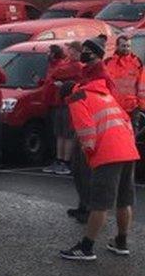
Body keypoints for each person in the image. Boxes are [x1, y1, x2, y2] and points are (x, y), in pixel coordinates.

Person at [60, 41, 140, 261]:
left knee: (100, 203)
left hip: (109, 153)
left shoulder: (77, 98)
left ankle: (86, 247)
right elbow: (124, 119)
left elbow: (86, 132)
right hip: (128, 149)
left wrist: (90, 154)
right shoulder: (103, 93)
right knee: (124, 200)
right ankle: (121, 242)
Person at [70, 37, 118, 224]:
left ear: (94, 54)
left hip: (93, 128)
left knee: (86, 170)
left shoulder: (101, 75)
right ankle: (83, 204)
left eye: (85, 51)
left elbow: (104, 100)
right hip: (82, 124)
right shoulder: (88, 71)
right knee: (78, 169)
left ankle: (89, 208)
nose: (82, 54)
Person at [41, 41, 83, 176]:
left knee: (67, 134)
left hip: (69, 104)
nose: (68, 51)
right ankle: (59, 160)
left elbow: (57, 72)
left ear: (76, 51)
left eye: (70, 48)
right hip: (60, 103)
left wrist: (61, 82)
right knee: (60, 133)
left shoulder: (76, 65)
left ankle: (66, 161)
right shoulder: (68, 63)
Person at [103, 35, 145, 129]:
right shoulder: (108, 63)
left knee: (133, 132)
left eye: (128, 46)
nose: (126, 48)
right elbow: (104, 83)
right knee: (117, 132)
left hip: (132, 106)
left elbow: (141, 85)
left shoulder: (137, 62)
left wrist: (141, 104)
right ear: (117, 46)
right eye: (123, 46)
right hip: (114, 105)